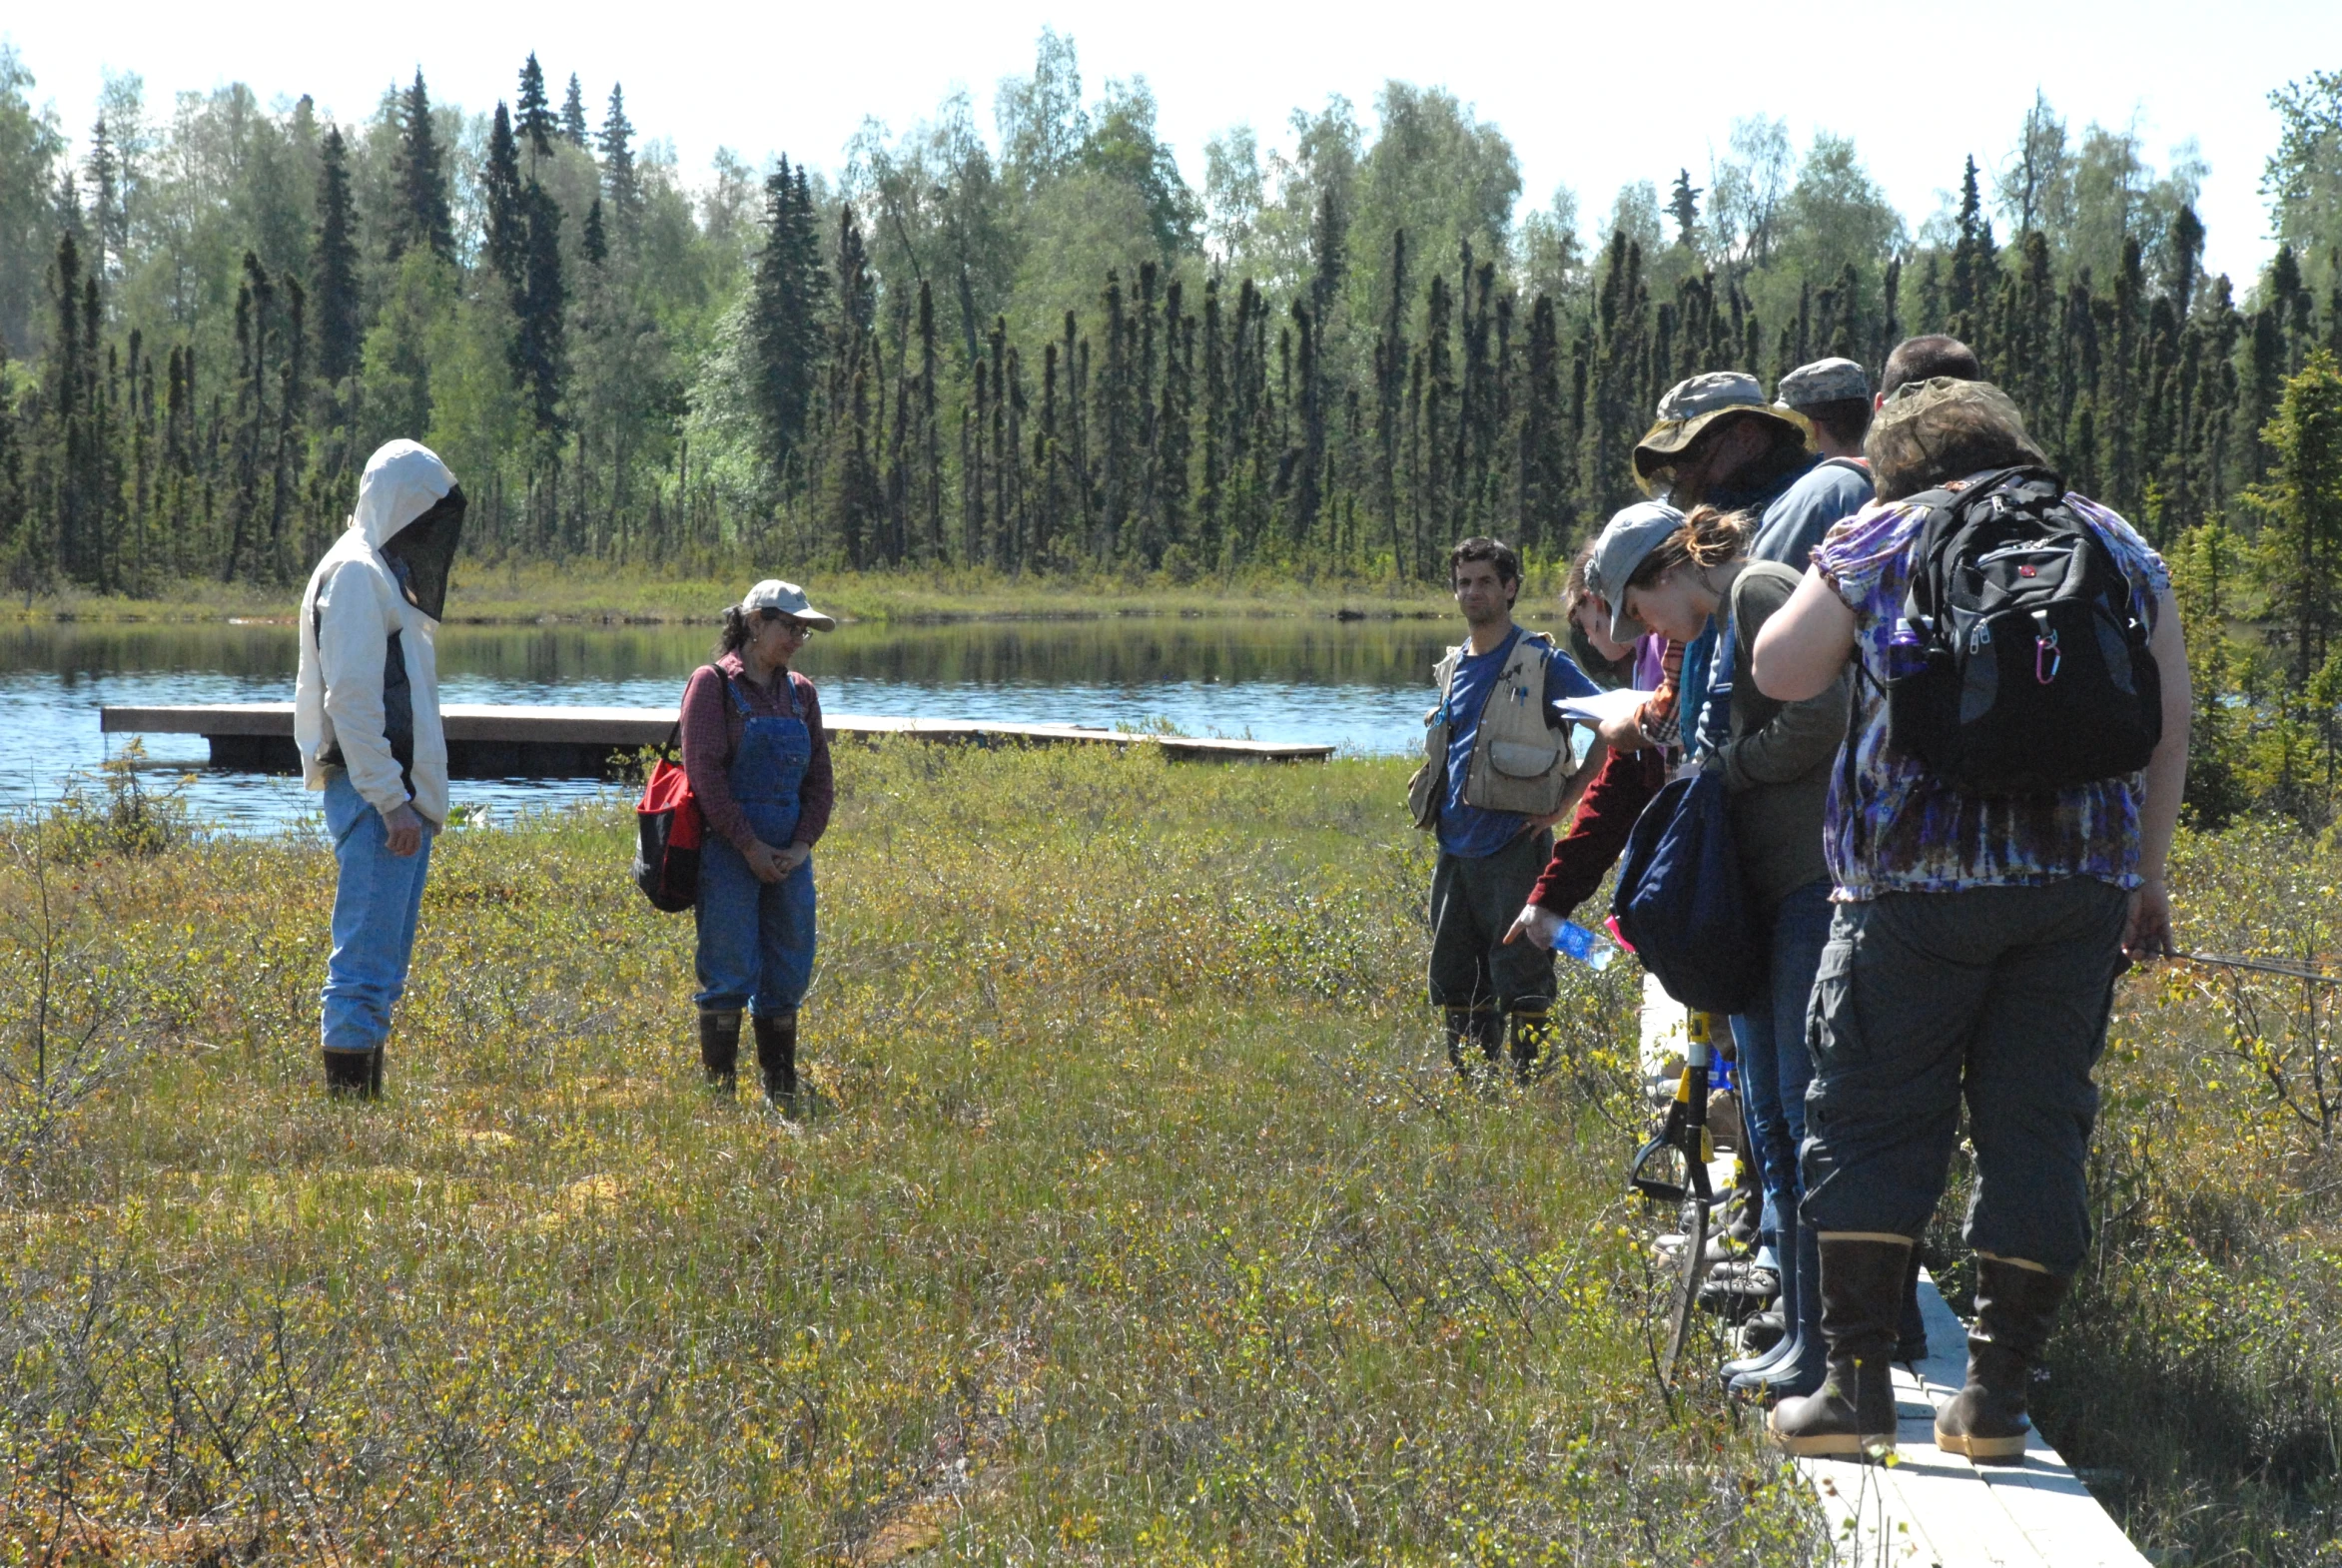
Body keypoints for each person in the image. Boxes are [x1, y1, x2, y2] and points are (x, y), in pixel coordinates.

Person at [1751, 378, 2188, 1460]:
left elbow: (1781, 666)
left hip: (1908, 887)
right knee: (2037, 1127)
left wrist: (1823, 578)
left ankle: (1853, 1393)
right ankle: (1993, 1398)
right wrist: (2146, 879)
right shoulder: (2110, 537)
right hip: (2074, 889)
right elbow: (2166, 725)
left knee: (1864, 1116)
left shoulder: (1881, 528)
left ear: (1895, 458)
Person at [1602, 501, 1851, 1400]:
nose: (1643, 632)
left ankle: (1824, 1340)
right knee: (1774, 1122)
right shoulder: (1710, 632)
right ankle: (1799, 1328)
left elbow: (1823, 718)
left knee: (1798, 1107)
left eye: (1637, 608)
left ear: (1666, 569)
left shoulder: (1756, 593)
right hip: (1761, 894)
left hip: (1805, 887)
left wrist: (1727, 771)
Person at [296, 439, 466, 1101]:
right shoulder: (357, 575)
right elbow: (353, 702)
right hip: (375, 800)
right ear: (398, 504)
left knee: (383, 966)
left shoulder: (375, 570)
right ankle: (348, 1113)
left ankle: (363, 1103)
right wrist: (391, 801)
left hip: (393, 798)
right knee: (364, 966)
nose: (428, 533)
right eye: (421, 515)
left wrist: (413, 800)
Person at [1408, 537, 1609, 1081]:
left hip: (1516, 849)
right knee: (1454, 976)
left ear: (1510, 589)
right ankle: (1473, 1086)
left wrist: (1566, 804)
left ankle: (1529, 1088)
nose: (1473, 592)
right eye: (1464, 582)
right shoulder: (1453, 666)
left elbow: (1609, 732)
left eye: (1485, 582)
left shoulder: (1544, 664)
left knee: (1522, 971)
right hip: (1455, 850)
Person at [680, 580, 838, 1112]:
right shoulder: (712, 686)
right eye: (790, 627)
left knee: (789, 968)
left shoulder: (803, 694)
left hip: (791, 858)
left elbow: (820, 781)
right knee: (727, 970)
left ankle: (781, 1088)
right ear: (754, 623)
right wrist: (748, 846)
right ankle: (720, 1097)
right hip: (727, 854)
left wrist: (800, 846)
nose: (798, 638)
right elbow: (705, 777)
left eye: (804, 631)